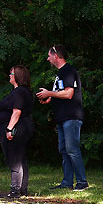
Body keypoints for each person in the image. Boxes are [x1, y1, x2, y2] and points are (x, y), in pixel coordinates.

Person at [36, 45, 88, 190]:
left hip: (71, 116)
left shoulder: (68, 71)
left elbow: (68, 94)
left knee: (72, 149)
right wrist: (49, 98)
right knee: (64, 150)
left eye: (49, 55)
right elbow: (60, 92)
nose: (47, 58)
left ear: (56, 56)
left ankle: (82, 182)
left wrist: (49, 94)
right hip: (62, 117)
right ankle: (67, 182)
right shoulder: (60, 73)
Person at [0, 65, 35, 198]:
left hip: (18, 128)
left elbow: (16, 112)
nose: (9, 76)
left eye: (11, 74)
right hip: (23, 127)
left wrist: (9, 129)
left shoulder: (20, 92)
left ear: (17, 76)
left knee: (15, 158)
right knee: (20, 157)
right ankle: (22, 189)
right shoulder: (22, 91)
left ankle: (15, 190)